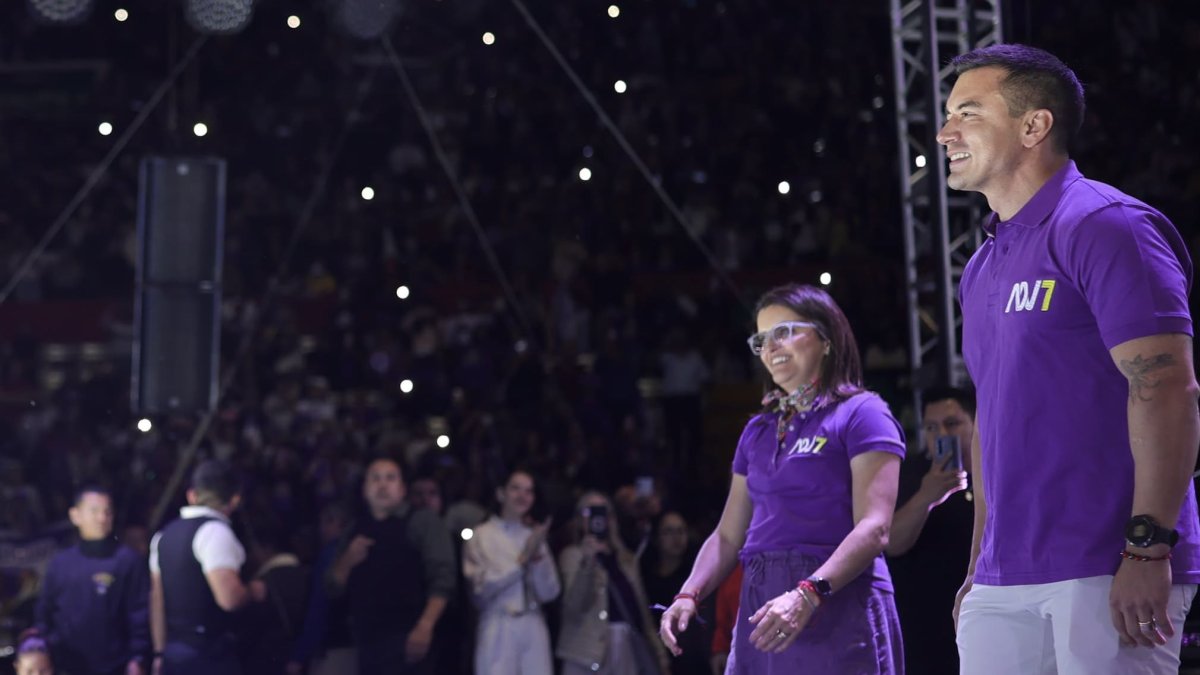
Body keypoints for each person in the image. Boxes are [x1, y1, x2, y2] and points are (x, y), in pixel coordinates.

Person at [943, 43, 1200, 674]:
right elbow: (991, 422)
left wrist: (1147, 551)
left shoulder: (1108, 226)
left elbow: (1166, 388)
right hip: (1003, 578)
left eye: (968, 113)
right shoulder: (980, 266)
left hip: (1109, 562)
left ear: (1034, 126)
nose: (945, 131)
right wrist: (980, 565)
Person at [657, 283, 906, 673]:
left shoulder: (863, 413)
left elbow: (874, 527)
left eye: (785, 331)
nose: (771, 347)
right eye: (761, 339)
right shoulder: (757, 430)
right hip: (763, 606)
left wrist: (809, 592)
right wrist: (690, 592)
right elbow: (727, 535)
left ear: (827, 339)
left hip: (833, 598)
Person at [327, 457, 456, 675]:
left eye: (390, 478)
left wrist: (425, 626)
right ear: (365, 489)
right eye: (375, 479)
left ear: (403, 489)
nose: (382, 485)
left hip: (411, 638)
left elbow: (443, 579)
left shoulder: (422, 522)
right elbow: (331, 587)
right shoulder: (354, 529)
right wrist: (348, 560)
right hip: (368, 642)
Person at [886, 387, 976, 674]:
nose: (941, 434)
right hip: (922, 621)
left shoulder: (997, 473)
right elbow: (893, 543)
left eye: (952, 424)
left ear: (975, 424)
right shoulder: (910, 474)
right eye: (931, 427)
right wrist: (927, 496)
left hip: (979, 611)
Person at [149, 460, 266, 675]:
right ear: (234, 499)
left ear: (192, 495)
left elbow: (157, 599)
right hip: (208, 655)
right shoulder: (215, 532)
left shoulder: (162, 536)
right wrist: (253, 591)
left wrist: (159, 653)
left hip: (173, 653)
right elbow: (229, 599)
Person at [35, 486, 150, 675]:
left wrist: (138, 657)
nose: (102, 518)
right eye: (94, 511)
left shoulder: (128, 561)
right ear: (75, 515)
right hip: (68, 666)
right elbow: (44, 613)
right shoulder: (60, 564)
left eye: (107, 512)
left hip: (115, 666)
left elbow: (139, 613)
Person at [558, 491, 668, 675]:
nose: (597, 518)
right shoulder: (572, 556)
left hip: (624, 650)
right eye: (589, 512)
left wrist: (660, 656)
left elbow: (642, 614)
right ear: (578, 520)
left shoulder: (627, 560)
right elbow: (573, 607)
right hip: (585, 655)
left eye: (603, 512)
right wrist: (587, 562)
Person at [461, 469, 560, 675]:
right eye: (515, 488)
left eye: (528, 491)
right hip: (499, 622)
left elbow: (550, 591)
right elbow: (481, 588)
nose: (522, 496)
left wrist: (538, 558)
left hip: (534, 622)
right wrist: (523, 560)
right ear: (501, 494)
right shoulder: (482, 535)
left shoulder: (533, 536)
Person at [640, 511, 712, 675]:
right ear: (657, 538)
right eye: (669, 531)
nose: (676, 538)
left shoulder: (696, 578)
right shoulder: (646, 578)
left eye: (681, 531)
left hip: (695, 658)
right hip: (659, 657)